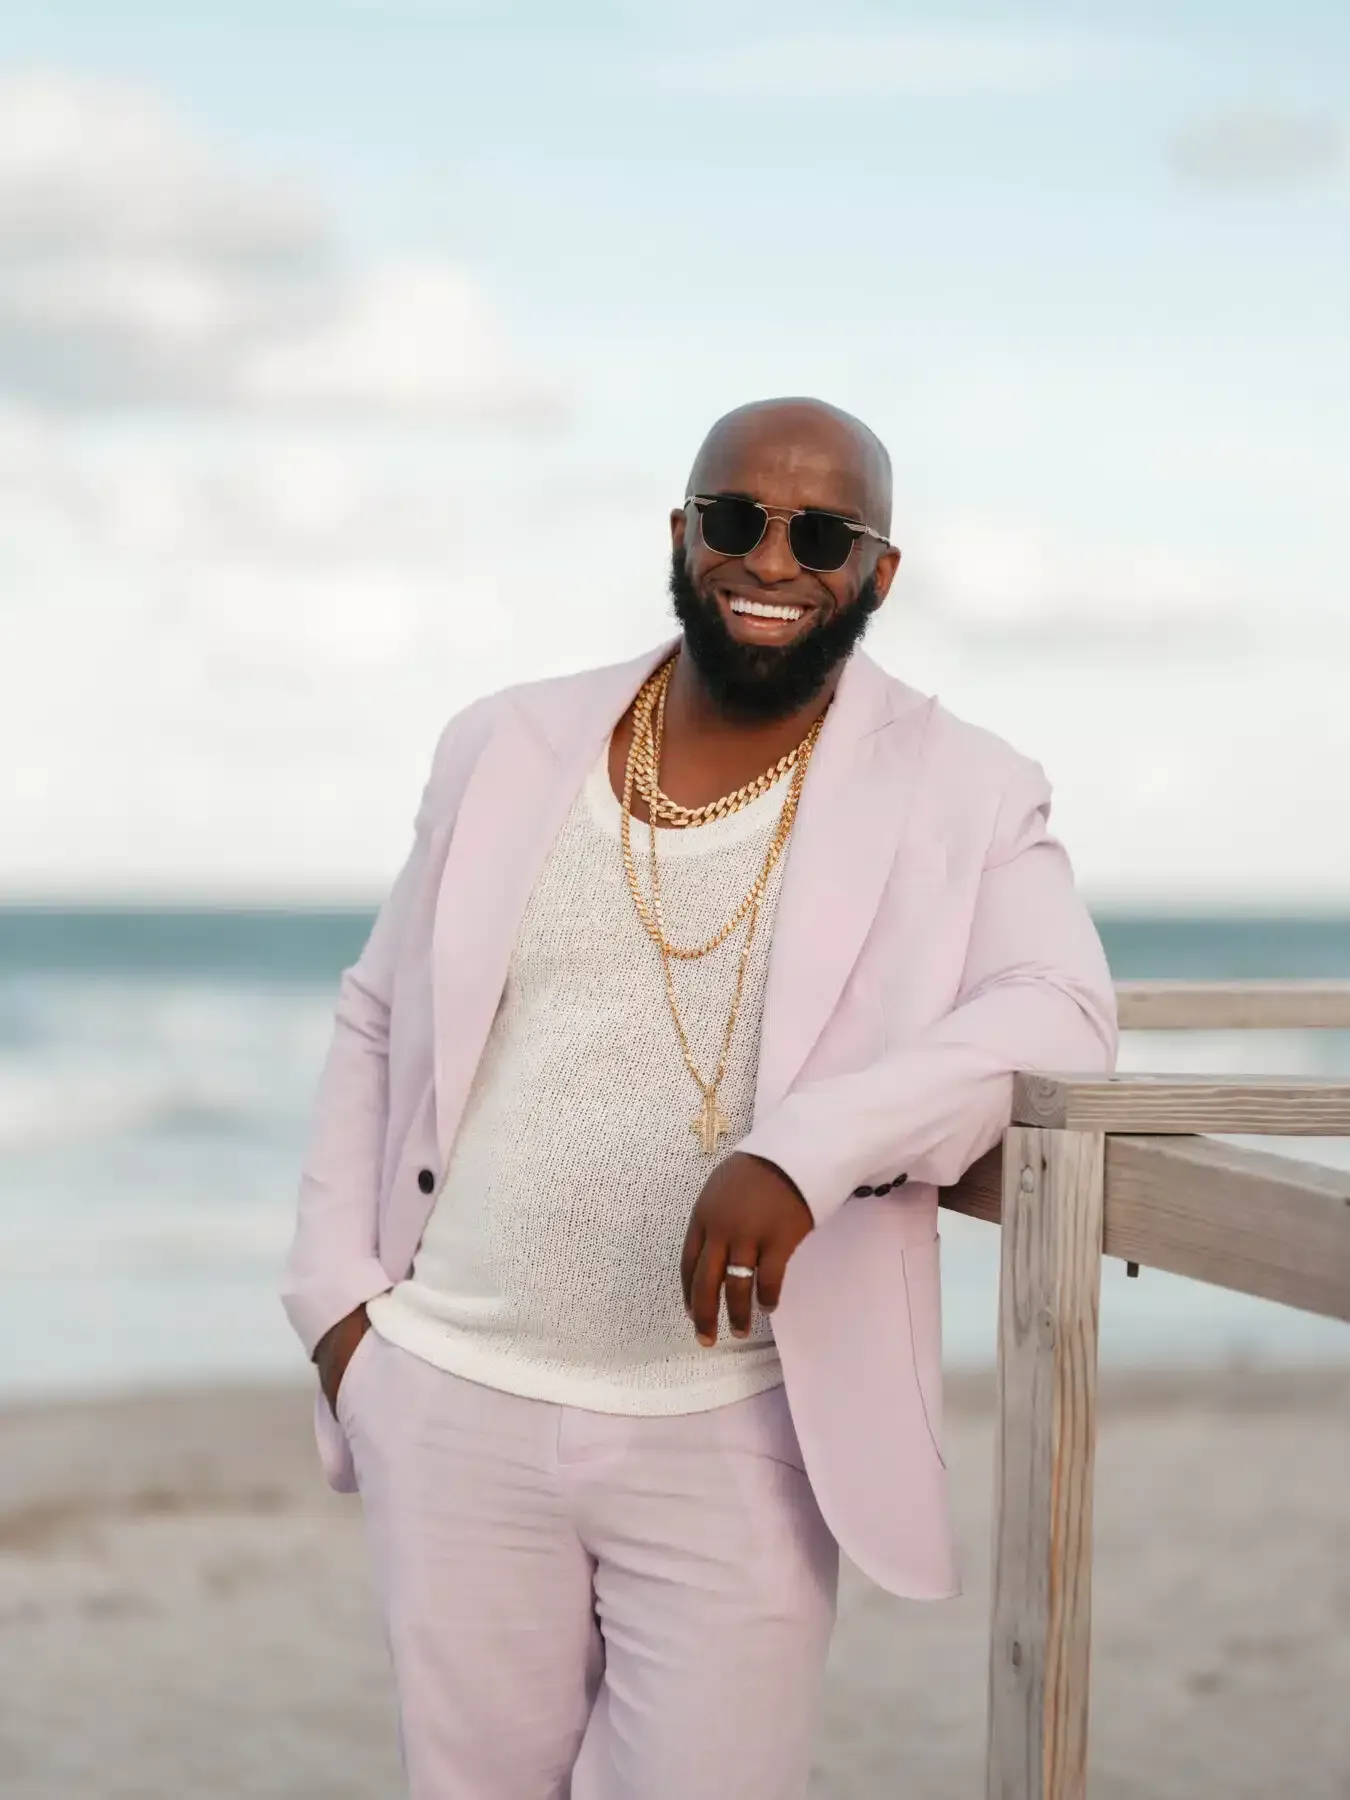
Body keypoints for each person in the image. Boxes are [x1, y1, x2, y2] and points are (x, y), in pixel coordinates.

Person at [280, 396, 1117, 1800]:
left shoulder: (967, 787)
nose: (771, 560)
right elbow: (378, 1015)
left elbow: (1063, 1015)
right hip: (449, 1396)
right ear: (681, 534)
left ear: (879, 571)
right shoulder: (502, 742)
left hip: (739, 1421)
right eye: (735, 520)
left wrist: (806, 1150)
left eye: (821, 533)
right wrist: (338, 1313)